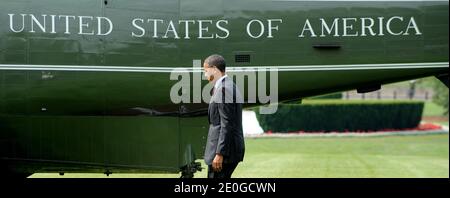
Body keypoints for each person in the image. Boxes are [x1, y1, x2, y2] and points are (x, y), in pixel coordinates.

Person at [203, 54, 245, 178]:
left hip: (224, 154)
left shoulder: (224, 89)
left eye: (206, 71)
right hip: (226, 151)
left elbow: (227, 124)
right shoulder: (228, 86)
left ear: (214, 69)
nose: (205, 75)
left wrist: (220, 153)